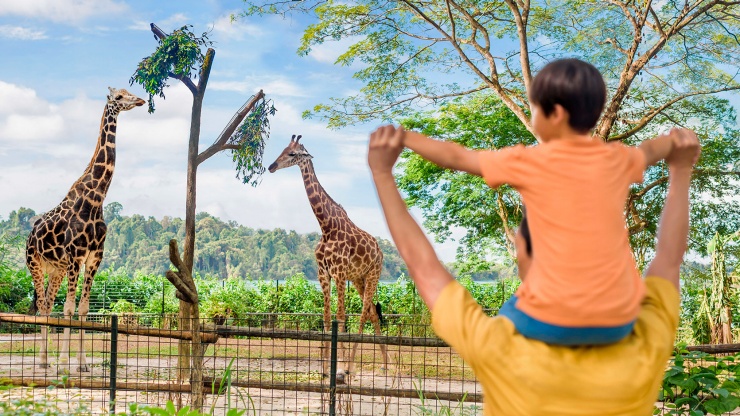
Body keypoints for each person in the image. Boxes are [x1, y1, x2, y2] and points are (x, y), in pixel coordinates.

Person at [368, 122, 699, 414]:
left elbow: (423, 266)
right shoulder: (643, 343)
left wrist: (382, 173)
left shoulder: (501, 349)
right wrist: (681, 171)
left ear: (523, 251)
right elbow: (668, 259)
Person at [384, 59, 682, 346]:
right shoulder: (618, 158)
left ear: (557, 115)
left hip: (549, 320)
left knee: (502, 323)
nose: (533, 114)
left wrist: (406, 137)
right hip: (618, 319)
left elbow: (458, 157)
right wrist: (675, 140)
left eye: (535, 108)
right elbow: (651, 150)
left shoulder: (529, 161)